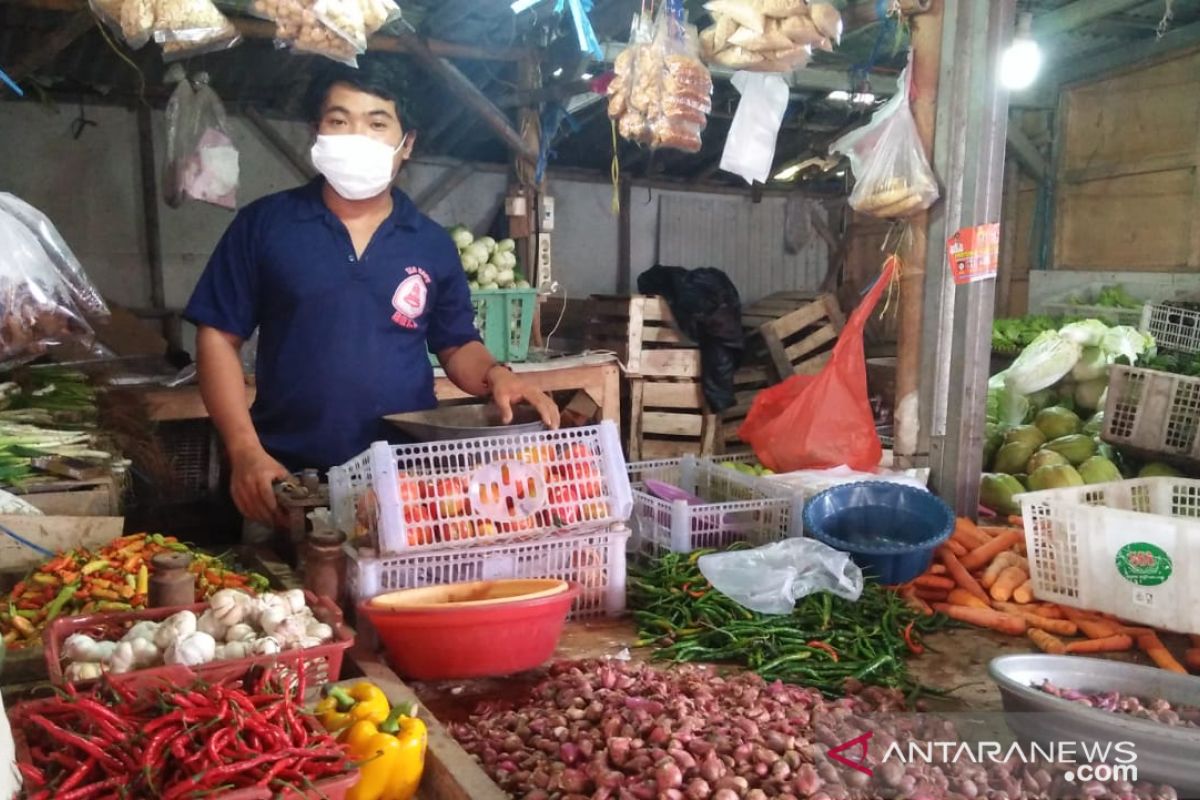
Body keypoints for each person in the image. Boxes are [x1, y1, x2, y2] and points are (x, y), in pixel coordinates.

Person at [184, 61, 560, 529]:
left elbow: (456, 344)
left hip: (405, 485)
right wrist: (245, 451)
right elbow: (218, 336)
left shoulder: (430, 242)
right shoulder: (264, 226)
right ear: (316, 132)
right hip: (284, 477)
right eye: (339, 121)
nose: (357, 137)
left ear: (408, 145)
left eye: (377, 123)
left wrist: (497, 376)